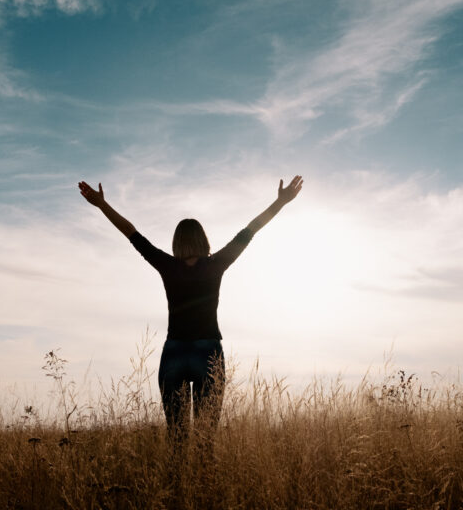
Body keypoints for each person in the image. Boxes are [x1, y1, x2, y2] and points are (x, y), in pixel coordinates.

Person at [78, 175, 303, 438]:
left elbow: (132, 233)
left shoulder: (168, 266)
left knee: (177, 439)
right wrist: (280, 203)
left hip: (174, 351)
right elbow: (250, 230)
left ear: (176, 242)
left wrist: (103, 205)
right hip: (208, 351)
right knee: (205, 439)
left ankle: (179, 479)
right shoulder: (216, 264)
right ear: (203, 240)